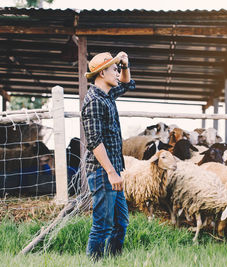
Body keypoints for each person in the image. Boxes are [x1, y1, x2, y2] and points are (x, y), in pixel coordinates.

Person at [81, 51, 135, 260]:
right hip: (103, 171)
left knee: (121, 223)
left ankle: (113, 261)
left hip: (112, 170)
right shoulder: (94, 101)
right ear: (102, 73)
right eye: (114, 69)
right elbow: (95, 142)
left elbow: (127, 84)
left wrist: (125, 64)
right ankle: (93, 262)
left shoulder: (108, 94)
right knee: (103, 225)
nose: (118, 72)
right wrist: (112, 173)